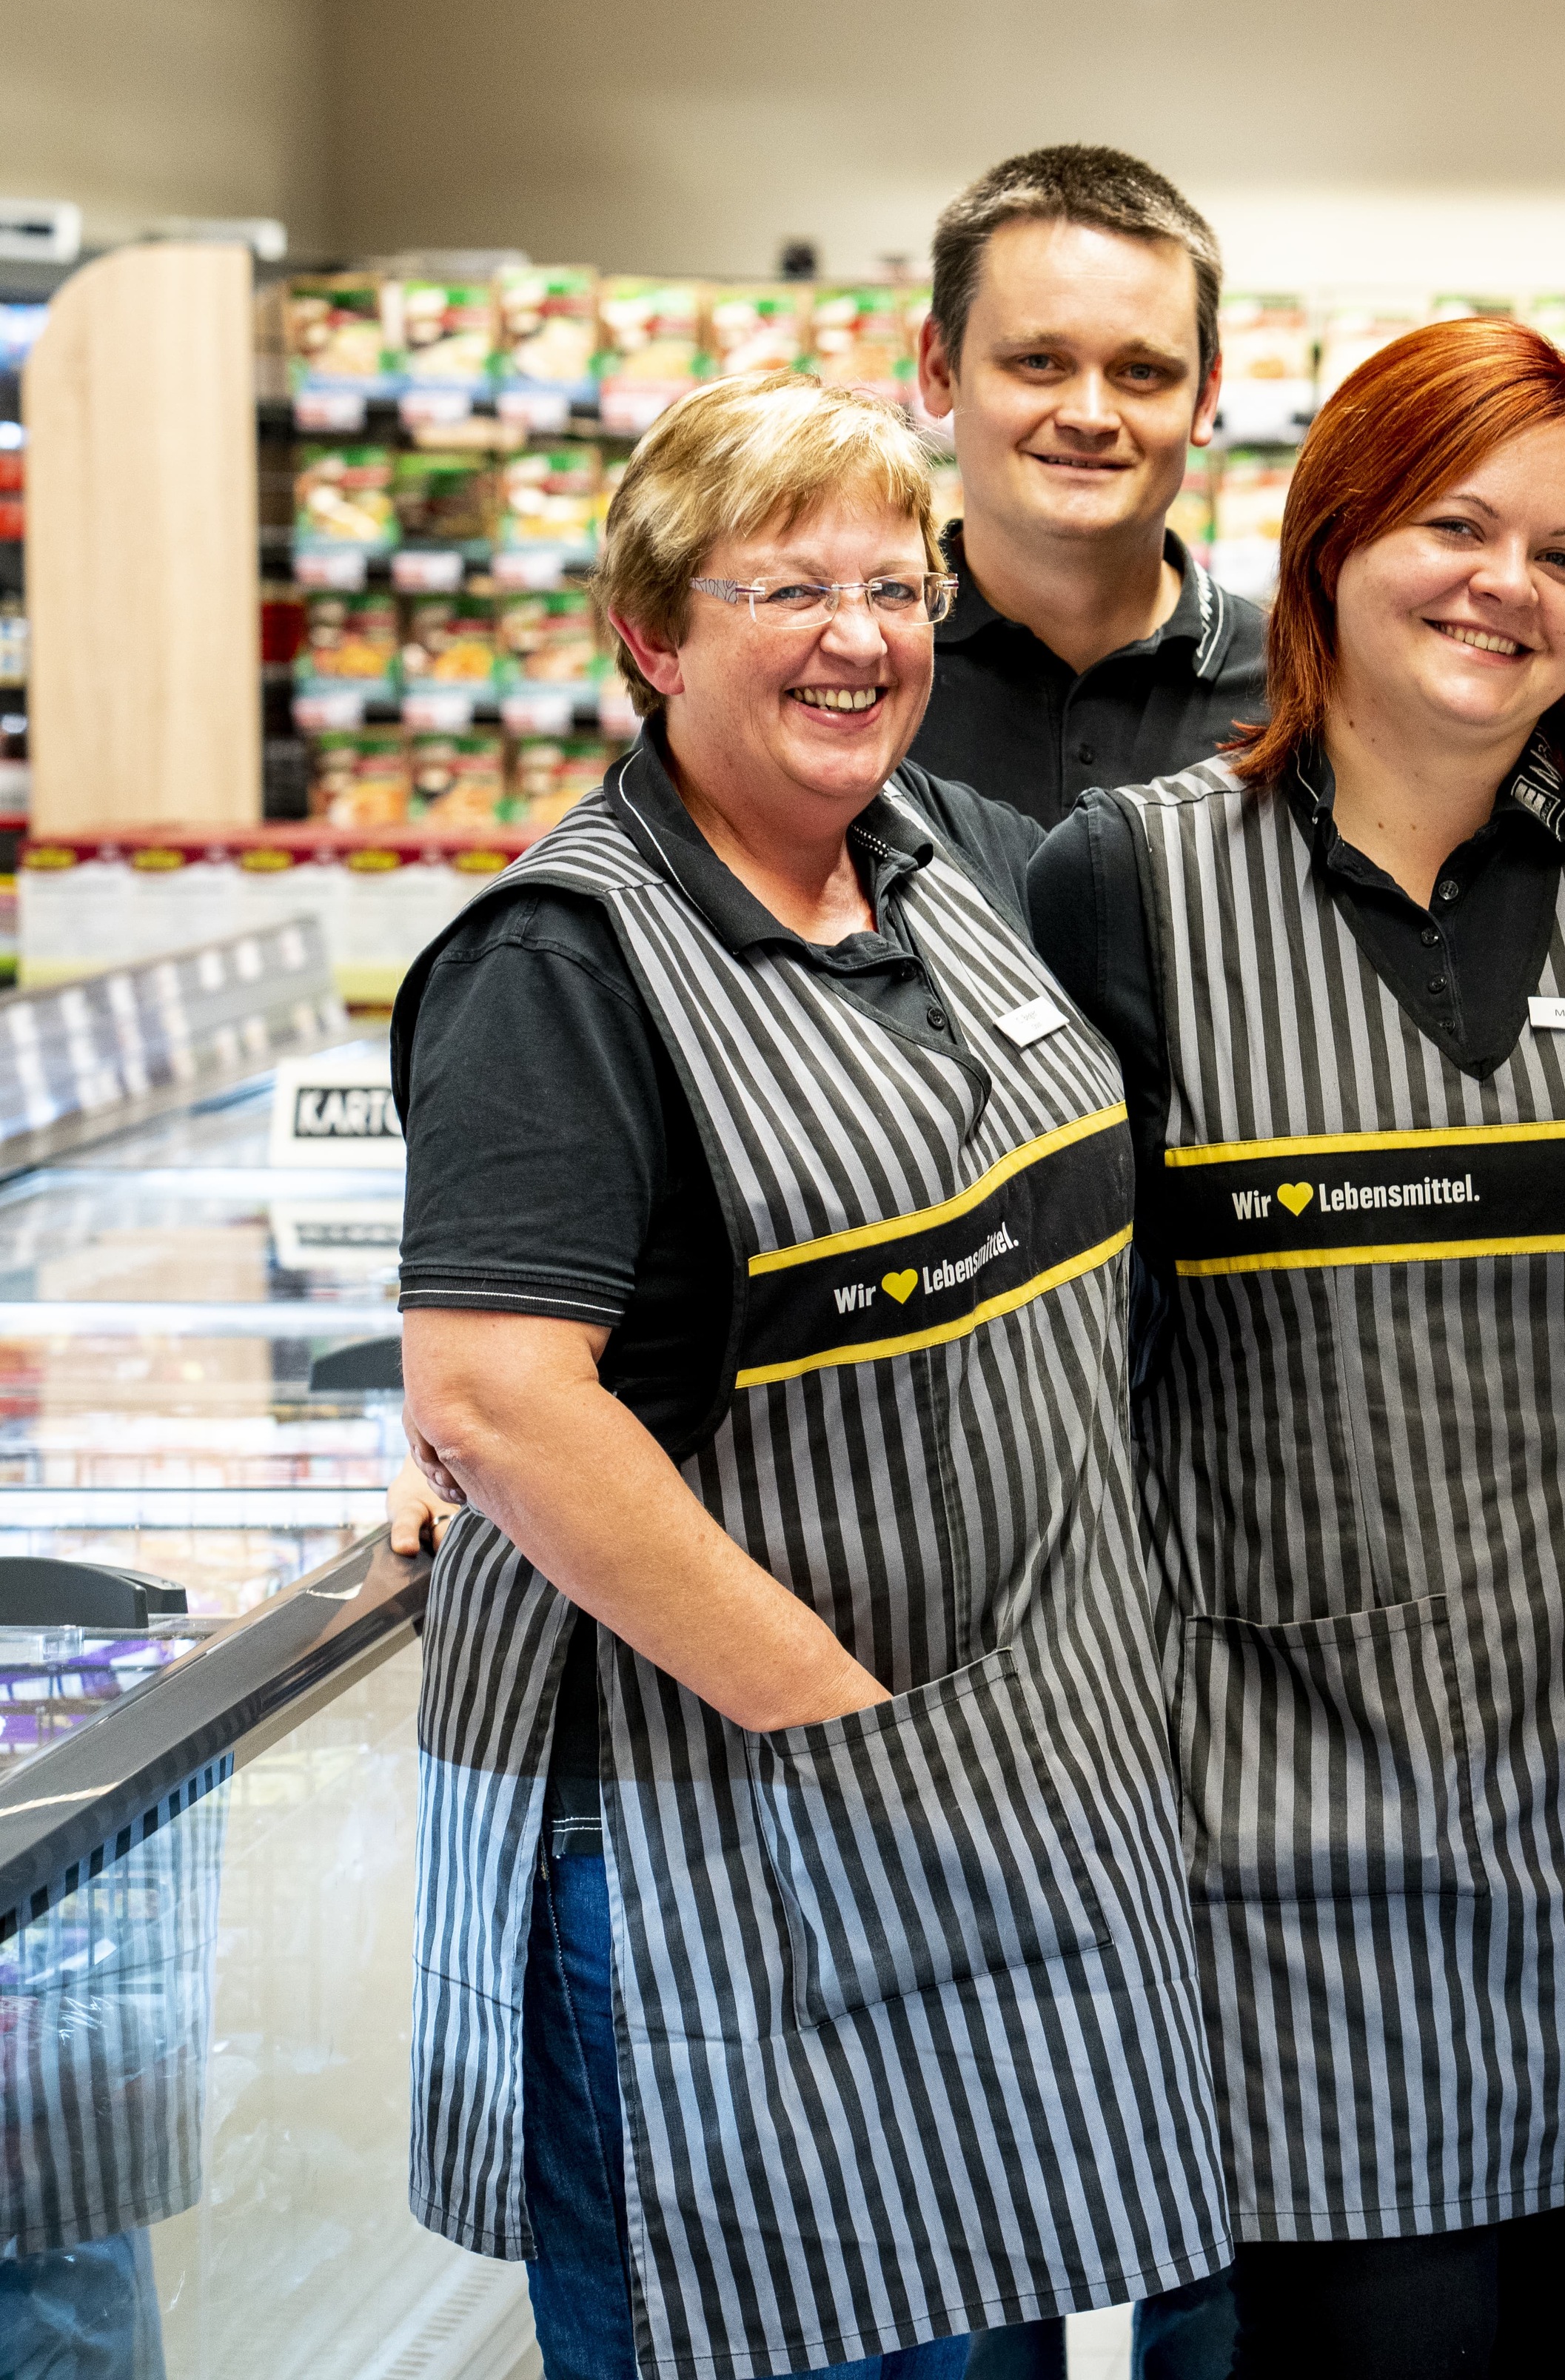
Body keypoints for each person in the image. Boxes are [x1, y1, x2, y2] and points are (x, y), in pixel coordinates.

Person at [388, 369, 1227, 2380]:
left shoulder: (947, 858)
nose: (860, 636)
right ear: (654, 633)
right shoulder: (562, 961)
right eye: (790, 588)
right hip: (722, 1831)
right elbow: (501, 1395)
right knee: (788, 2335)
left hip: (983, 1795)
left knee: (984, 2336)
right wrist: (848, 1722)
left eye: (890, 582)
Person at [1020, 315, 1565, 2380]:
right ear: (1332, 542)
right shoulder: (1127, 884)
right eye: (1454, 524)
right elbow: (1039, 1367)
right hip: (1272, 1832)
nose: (1507, 587)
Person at [911, 144, 1270, 825]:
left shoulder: (1307, 699)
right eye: (1039, 361)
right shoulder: (852, 673)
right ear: (938, 367)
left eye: (1141, 372)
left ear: (1205, 397)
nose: (1090, 417)